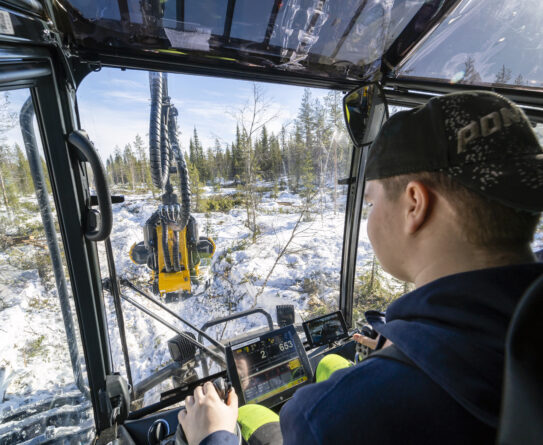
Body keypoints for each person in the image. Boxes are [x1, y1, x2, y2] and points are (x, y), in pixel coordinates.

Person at [178, 91, 543, 445]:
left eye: (370, 202)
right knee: (331, 363)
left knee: (250, 415)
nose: (367, 219)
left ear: (414, 204)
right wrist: (407, 341)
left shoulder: (330, 418)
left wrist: (214, 436)